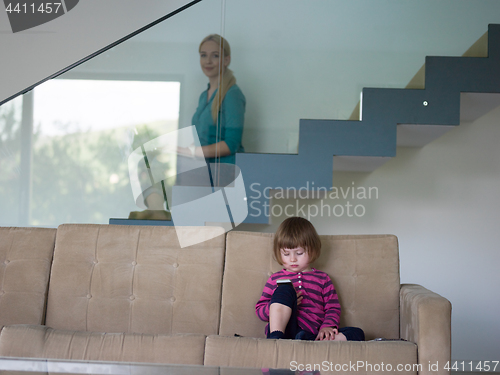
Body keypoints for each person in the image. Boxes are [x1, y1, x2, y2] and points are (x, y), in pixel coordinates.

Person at [255, 217, 365, 341]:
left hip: (314, 334)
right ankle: (275, 340)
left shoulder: (323, 279)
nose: (292, 259)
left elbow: (332, 308)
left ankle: (316, 341)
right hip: (286, 331)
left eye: (299, 253)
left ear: (312, 250)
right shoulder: (275, 278)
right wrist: (279, 304)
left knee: (357, 333)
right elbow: (260, 311)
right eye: (286, 254)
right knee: (284, 290)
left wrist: (327, 327)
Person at [180, 34, 245, 167]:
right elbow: (203, 139)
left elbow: (231, 144)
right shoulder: (204, 96)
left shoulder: (232, 94)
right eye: (203, 55)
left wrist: (191, 151)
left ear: (226, 60)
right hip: (205, 172)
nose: (208, 61)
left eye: (215, 55)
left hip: (226, 174)